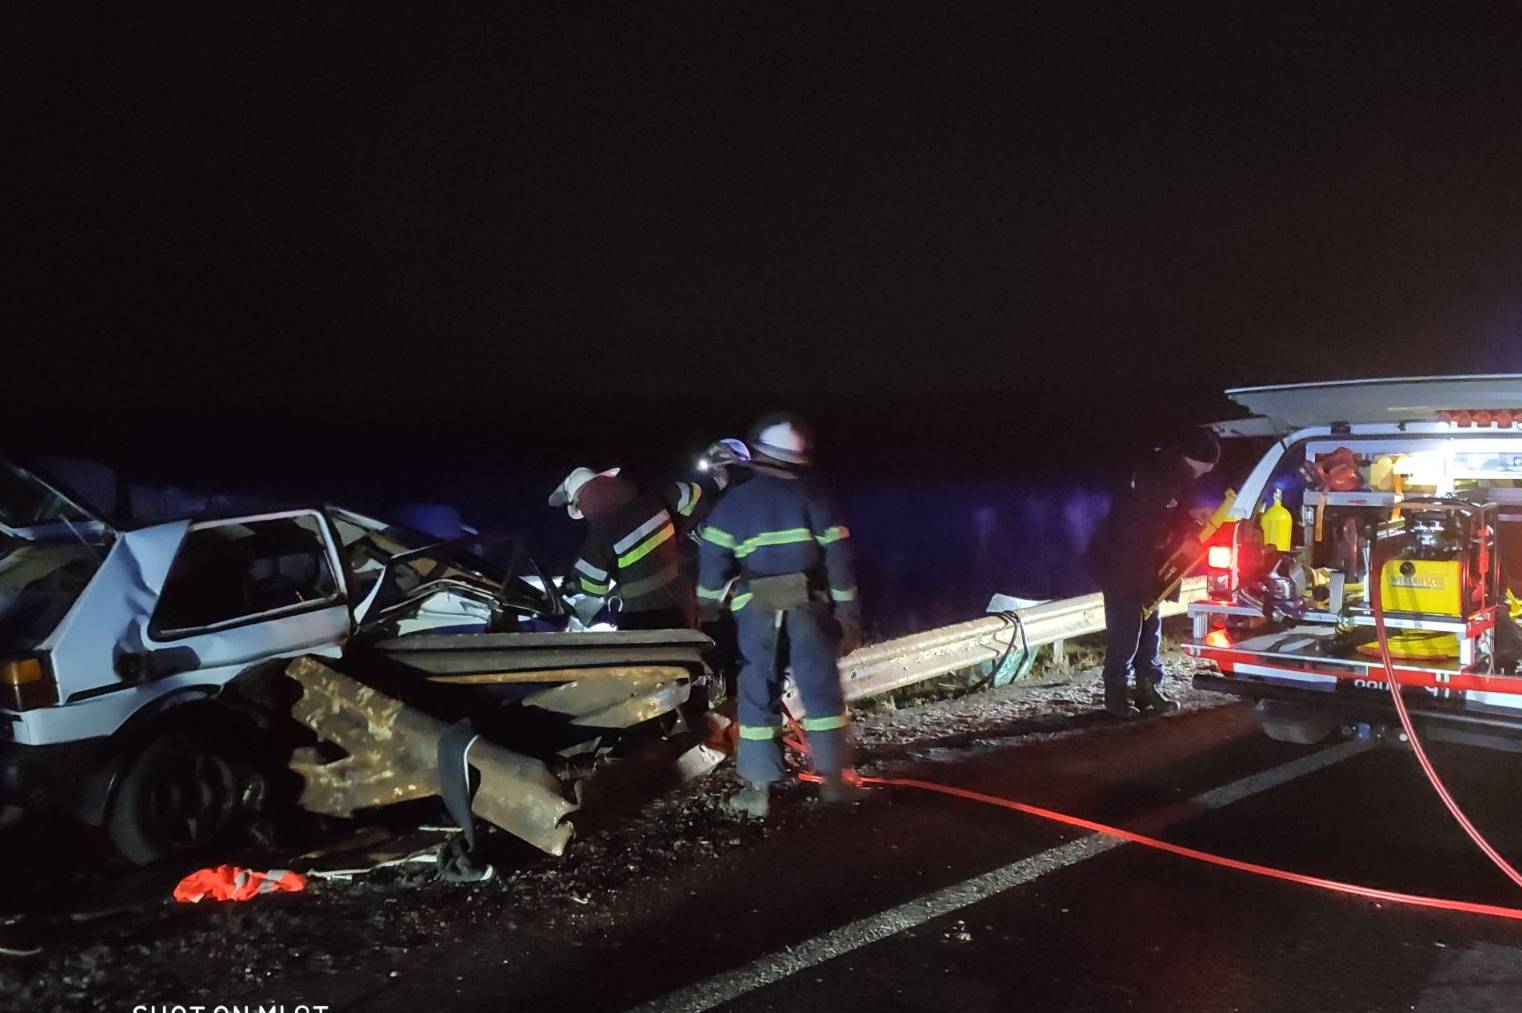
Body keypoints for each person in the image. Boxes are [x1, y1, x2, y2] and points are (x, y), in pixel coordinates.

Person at [696, 414, 865, 817]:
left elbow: (713, 563)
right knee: (822, 693)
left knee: (757, 695)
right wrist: (848, 616)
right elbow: (840, 562)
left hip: (756, 611)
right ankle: (837, 782)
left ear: (758, 456)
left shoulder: (734, 504)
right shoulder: (815, 498)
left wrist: (707, 607)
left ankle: (758, 793)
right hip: (809, 609)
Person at [1092, 427, 1221, 719]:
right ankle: (1116, 695)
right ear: (1196, 459)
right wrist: (1180, 538)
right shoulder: (1156, 474)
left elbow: (1168, 515)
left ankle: (1148, 689)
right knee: (1126, 633)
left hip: (1148, 567)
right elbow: (1142, 525)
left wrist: (1189, 518)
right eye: (1206, 467)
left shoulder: (1177, 476)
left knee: (1151, 628)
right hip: (1122, 565)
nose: (1206, 474)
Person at [548, 466, 717, 631]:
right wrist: (681, 529)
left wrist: (571, 585)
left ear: (581, 503)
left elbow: (593, 587)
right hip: (680, 601)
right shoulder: (654, 497)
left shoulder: (599, 536)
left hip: (640, 617)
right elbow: (694, 494)